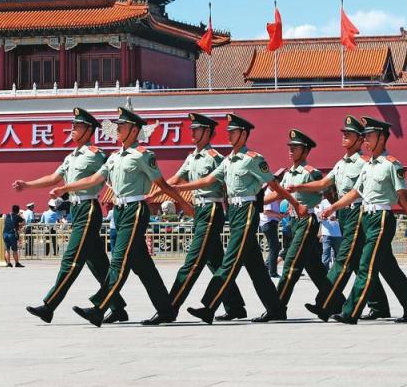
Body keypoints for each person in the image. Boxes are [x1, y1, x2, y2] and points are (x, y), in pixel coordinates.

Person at [65, 107, 193, 327]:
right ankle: (165, 309)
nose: (117, 130)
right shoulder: (114, 157)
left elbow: (162, 184)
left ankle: (99, 308)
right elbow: (95, 178)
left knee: (119, 260)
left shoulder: (143, 155)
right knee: (142, 265)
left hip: (135, 210)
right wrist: (66, 188)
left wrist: (183, 204)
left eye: (122, 127)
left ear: (134, 130)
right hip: (120, 211)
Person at [176, 112, 306, 324]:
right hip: (233, 212)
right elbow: (208, 180)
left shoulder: (253, 160)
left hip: (247, 211)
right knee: (255, 265)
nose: (229, 135)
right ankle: (275, 308)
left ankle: (209, 306)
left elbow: (274, 185)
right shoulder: (227, 161)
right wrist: (177, 186)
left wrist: (296, 204)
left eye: (233, 132)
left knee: (230, 260)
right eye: (228, 132)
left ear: (243, 134)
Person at [19, 108, 127, 323]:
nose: (73, 129)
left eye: (77, 126)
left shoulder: (96, 155)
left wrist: (66, 188)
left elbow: (100, 178)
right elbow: (53, 178)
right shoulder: (71, 157)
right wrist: (27, 185)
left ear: (89, 130)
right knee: (97, 263)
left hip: (88, 209)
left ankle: (49, 306)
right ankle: (117, 308)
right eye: (73, 125)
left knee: (71, 259)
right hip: (76, 210)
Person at [315, 117, 407, 324]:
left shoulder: (392, 164)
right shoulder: (368, 166)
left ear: (381, 138)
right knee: (388, 268)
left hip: (381, 219)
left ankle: (350, 312)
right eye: (364, 136)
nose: (365, 140)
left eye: (370, 136)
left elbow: (402, 195)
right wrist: (333, 207)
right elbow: (356, 192)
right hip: (367, 217)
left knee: (366, 266)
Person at [146, 112, 247, 324]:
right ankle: (235, 306)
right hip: (199, 211)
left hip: (211, 209)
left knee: (192, 262)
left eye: (196, 129)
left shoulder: (216, 158)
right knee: (215, 259)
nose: (192, 132)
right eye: (191, 129)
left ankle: (169, 308)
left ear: (208, 132)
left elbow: (224, 184)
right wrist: (157, 191)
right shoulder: (191, 157)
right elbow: (177, 178)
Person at [287, 115, 389, 320]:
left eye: (349, 135)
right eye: (343, 134)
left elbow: (362, 190)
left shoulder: (365, 162)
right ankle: (380, 306)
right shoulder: (341, 163)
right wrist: (299, 186)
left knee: (343, 259)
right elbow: (324, 183)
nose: (344, 137)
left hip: (357, 212)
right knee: (362, 261)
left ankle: (324, 302)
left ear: (360, 140)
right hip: (344, 213)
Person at [268, 129, 337, 310]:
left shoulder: (311, 173)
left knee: (291, 264)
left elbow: (327, 190)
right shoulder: (289, 172)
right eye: (290, 147)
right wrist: (256, 201)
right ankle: (336, 303)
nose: (291, 150)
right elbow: (278, 194)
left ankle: (276, 307)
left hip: (306, 221)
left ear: (305, 151)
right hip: (292, 222)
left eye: (295, 147)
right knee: (315, 267)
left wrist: (334, 210)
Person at [316, 191, 341, 271]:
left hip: (338, 233)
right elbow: (319, 215)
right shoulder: (323, 202)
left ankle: (337, 272)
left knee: (339, 255)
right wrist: (323, 217)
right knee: (325, 255)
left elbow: (344, 217)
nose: (332, 194)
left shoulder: (340, 202)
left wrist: (336, 218)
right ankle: (324, 273)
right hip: (326, 232)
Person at [259, 198, 283, 278]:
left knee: (274, 247)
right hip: (268, 223)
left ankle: (266, 267)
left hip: (270, 223)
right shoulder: (269, 194)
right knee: (274, 247)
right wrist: (278, 215)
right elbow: (266, 211)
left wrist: (279, 215)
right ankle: (272, 272)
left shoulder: (272, 194)